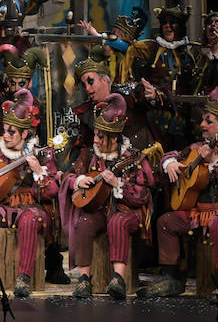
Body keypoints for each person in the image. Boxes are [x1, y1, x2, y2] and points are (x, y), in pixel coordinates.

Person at [143, 85, 218, 301]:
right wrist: (169, 162)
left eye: (209, 121)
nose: (202, 125)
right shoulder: (199, 147)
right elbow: (172, 155)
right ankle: (172, 278)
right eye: (203, 120)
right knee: (165, 222)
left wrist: (213, 163)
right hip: (201, 214)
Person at [0, 89, 61, 297]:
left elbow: (52, 191)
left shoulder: (41, 156)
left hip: (31, 209)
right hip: (4, 209)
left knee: (30, 220)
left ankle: (23, 277)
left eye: (11, 132)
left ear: (25, 134)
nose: (5, 136)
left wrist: (37, 172)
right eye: (5, 130)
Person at [62, 94, 156, 301]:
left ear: (114, 138)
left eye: (101, 136)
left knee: (117, 221)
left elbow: (143, 193)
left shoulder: (133, 157)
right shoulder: (89, 155)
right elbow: (67, 176)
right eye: (95, 134)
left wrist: (118, 184)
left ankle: (118, 279)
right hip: (99, 212)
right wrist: (79, 181)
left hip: (127, 212)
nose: (95, 139)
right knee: (84, 222)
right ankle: (84, 280)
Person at [123, 3, 201, 149]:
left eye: (173, 22)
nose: (167, 26)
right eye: (164, 22)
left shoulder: (190, 54)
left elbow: (191, 87)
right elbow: (139, 82)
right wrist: (150, 93)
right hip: (155, 116)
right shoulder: (150, 50)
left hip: (183, 120)